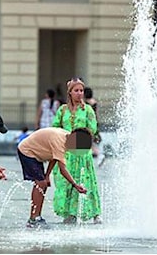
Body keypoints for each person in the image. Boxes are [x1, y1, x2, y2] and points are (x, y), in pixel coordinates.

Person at [52, 77, 102, 224]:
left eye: (81, 90)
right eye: (76, 90)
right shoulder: (62, 110)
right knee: (66, 181)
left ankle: (95, 213)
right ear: (70, 92)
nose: (79, 93)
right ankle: (70, 213)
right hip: (66, 149)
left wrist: (80, 135)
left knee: (85, 180)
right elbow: (55, 126)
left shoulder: (87, 110)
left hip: (81, 149)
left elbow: (93, 128)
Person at [17, 127, 88, 229]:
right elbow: (62, 170)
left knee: (43, 183)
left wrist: (47, 176)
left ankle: (37, 216)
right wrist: (75, 185)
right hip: (27, 151)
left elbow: (54, 158)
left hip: (36, 153)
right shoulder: (60, 141)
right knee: (40, 183)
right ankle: (33, 219)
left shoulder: (67, 138)